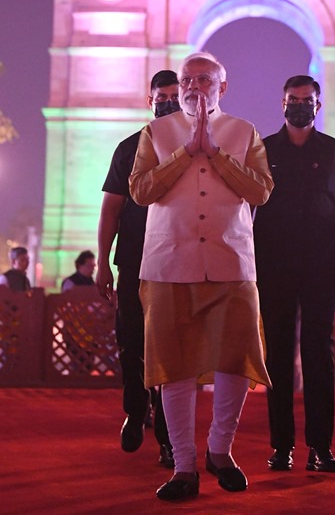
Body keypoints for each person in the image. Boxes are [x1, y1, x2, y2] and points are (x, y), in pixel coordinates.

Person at [129, 52, 273, 502]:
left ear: (222, 87)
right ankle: (184, 465)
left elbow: (261, 191)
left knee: (235, 360)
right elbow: (140, 191)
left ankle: (221, 450)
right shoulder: (155, 133)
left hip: (231, 262)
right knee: (173, 366)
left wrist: (215, 154)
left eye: (204, 79)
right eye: (187, 79)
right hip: (168, 264)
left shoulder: (244, 132)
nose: (194, 86)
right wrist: (186, 152)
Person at [253, 74, 335, 475]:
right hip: (274, 265)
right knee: (278, 356)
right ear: (282, 103)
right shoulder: (263, 150)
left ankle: (321, 448)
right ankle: (281, 447)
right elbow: (245, 208)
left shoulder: (333, 151)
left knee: (319, 355)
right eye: (292, 99)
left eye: (306, 100)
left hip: (321, 265)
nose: (299, 105)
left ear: (319, 105)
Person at [96, 70, 179, 466]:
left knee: (172, 349)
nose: (168, 104)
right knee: (130, 340)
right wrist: (102, 261)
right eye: (162, 98)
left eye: (174, 97)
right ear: (150, 101)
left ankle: (168, 434)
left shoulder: (201, 150)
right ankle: (135, 409)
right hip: (133, 259)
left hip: (178, 263)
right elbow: (111, 207)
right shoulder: (129, 148)